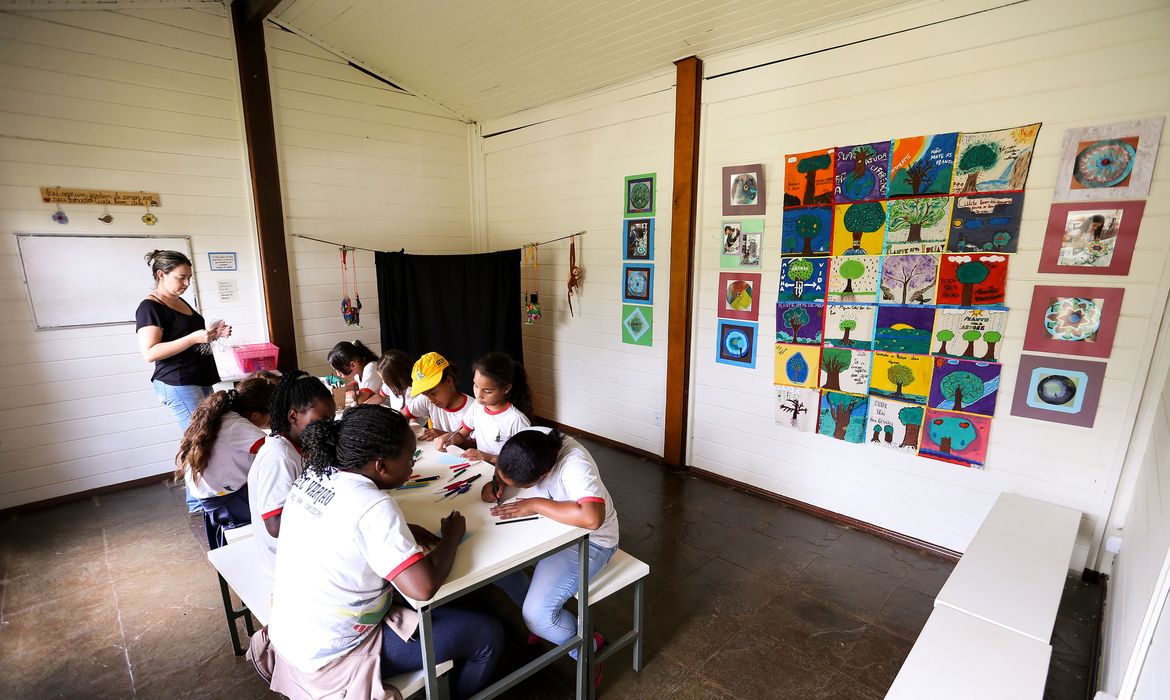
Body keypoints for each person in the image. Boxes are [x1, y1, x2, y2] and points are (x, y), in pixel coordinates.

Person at [265, 405, 505, 700]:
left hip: (292, 635)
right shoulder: (373, 505)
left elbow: (342, 530)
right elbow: (422, 587)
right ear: (381, 466)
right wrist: (451, 537)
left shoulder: (314, 476)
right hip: (334, 657)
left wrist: (400, 531)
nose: (413, 466)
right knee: (488, 635)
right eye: (409, 458)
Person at [483, 428, 620, 685]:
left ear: (544, 473)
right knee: (500, 570)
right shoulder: (536, 438)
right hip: (556, 531)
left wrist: (534, 504)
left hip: (592, 542)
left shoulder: (574, 465)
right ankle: (545, 625)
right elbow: (501, 461)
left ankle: (587, 647)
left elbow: (592, 518)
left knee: (539, 616)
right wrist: (497, 482)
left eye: (520, 485)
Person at [135, 249, 231, 513]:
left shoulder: (179, 300)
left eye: (189, 277)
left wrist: (212, 334)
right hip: (177, 383)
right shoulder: (150, 308)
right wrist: (193, 338)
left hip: (197, 376)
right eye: (181, 278)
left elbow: (188, 338)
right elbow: (150, 352)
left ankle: (201, 497)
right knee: (200, 438)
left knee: (203, 437)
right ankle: (198, 502)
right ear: (161, 275)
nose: (187, 283)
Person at [248, 371, 335, 575]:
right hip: (286, 563)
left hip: (300, 550)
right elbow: (276, 526)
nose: (328, 427)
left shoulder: (299, 445)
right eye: (322, 420)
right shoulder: (278, 456)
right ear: (293, 416)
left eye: (331, 419)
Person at [174, 376, 276, 547]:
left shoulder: (223, 415)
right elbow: (275, 451)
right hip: (228, 504)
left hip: (211, 499)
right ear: (256, 414)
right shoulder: (238, 426)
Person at [442, 352, 532, 464]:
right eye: (475, 385)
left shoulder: (516, 420)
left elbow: (523, 460)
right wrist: (450, 438)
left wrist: (489, 457)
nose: (478, 395)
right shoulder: (477, 406)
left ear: (506, 389)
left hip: (504, 473)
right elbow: (461, 434)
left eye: (487, 391)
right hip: (481, 467)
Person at [400, 352, 475, 451]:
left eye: (433, 393)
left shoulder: (473, 408)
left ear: (448, 380)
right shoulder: (427, 399)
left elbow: (478, 447)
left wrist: (444, 435)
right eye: (425, 394)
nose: (430, 400)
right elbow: (402, 415)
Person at [328, 340, 383, 406]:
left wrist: (351, 395)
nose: (338, 374)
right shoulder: (360, 368)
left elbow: (361, 398)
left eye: (339, 370)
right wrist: (340, 390)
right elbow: (357, 383)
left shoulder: (371, 368)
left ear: (353, 365)